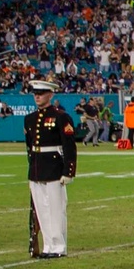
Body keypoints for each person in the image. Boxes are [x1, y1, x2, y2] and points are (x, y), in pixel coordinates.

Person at [23, 78, 78, 257]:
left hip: (54, 167)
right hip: (37, 167)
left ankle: (58, 246)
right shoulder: (29, 119)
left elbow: (69, 145)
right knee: (41, 210)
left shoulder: (60, 117)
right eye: (35, 94)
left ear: (50, 94)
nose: (37, 97)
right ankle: (47, 246)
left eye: (41, 93)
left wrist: (68, 171)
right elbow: (29, 147)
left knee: (56, 209)